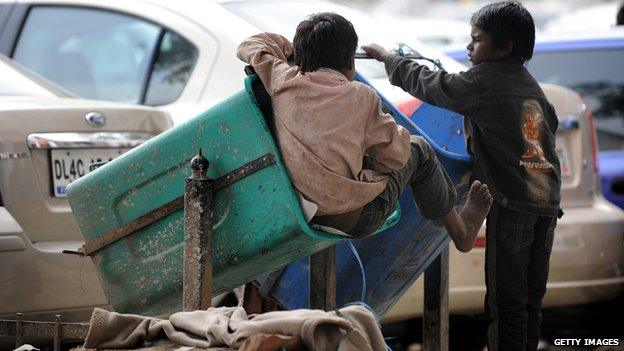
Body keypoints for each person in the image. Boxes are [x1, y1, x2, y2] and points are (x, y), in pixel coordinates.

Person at [363, 2, 561, 350]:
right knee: (530, 303)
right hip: (547, 207)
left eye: (477, 40)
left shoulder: (485, 80)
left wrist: (388, 59)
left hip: (513, 207)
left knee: (506, 304)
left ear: (504, 48)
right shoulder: (532, 87)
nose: (470, 48)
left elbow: (434, 86)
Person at [236, 12, 492, 253]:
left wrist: (293, 55)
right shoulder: (361, 96)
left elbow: (250, 44)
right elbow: (396, 158)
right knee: (419, 149)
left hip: (298, 213)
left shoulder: (281, 80)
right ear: (350, 62)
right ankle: (458, 228)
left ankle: (444, 212)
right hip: (355, 219)